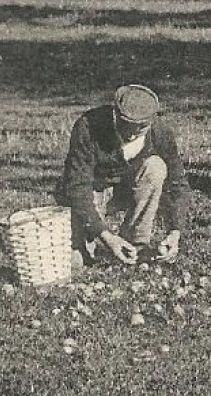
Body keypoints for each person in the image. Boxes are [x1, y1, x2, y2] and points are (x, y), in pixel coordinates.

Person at [57, 84, 190, 267]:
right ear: (115, 114)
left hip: (126, 191)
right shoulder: (89, 126)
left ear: (151, 121)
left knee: (156, 167)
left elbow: (178, 184)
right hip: (92, 194)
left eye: (141, 127)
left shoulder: (161, 133)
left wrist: (175, 232)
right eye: (126, 125)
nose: (133, 133)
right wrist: (105, 236)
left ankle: (135, 243)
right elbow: (77, 187)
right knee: (75, 262)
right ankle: (89, 241)